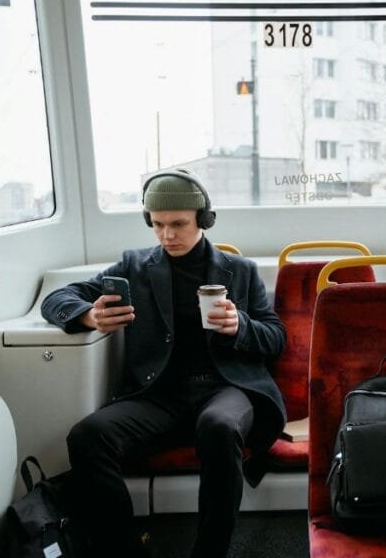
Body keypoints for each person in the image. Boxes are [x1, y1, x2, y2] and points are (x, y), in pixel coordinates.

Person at [41, 169, 286, 558]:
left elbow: (275, 338)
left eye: (178, 224)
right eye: (157, 225)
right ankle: (123, 549)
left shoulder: (239, 271)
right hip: (160, 394)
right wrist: (88, 315)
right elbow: (57, 298)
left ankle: (210, 552)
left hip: (226, 388)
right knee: (87, 436)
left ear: (203, 221)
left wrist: (240, 325)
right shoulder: (134, 267)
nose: (167, 235)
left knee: (219, 426)